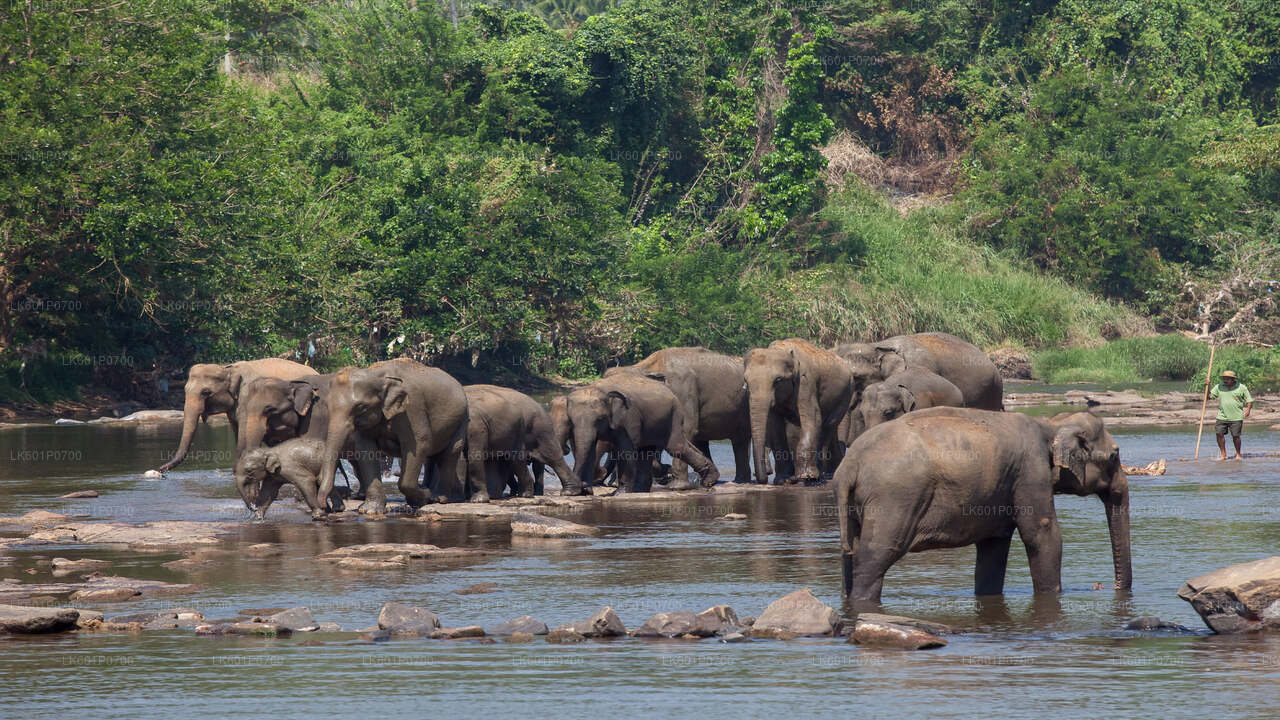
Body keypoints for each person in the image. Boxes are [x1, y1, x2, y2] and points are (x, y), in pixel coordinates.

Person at [1210, 370, 1253, 461]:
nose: (1225, 380)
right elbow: (1209, 396)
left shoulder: (1241, 387)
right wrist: (1206, 386)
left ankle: (1238, 454)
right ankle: (1223, 454)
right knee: (1219, 434)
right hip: (1222, 416)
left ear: (1233, 379)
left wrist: (1248, 410)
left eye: (1227, 379)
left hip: (1236, 417)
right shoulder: (1219, 387)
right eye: (1224, 378)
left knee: (1236, 436)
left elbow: (1249, 400)